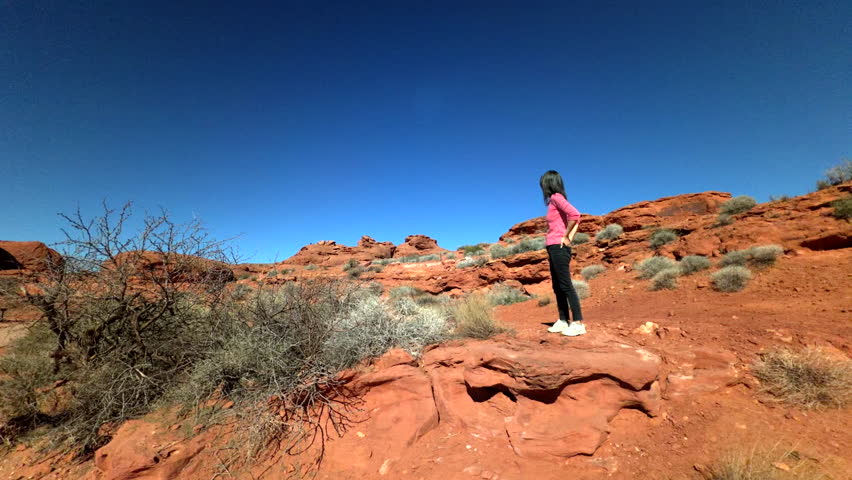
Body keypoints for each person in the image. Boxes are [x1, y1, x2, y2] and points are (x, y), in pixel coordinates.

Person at [540, 170, 586, 336]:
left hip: (559, 246)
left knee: (565, 285)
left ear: (548, 183)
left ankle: (578, 322)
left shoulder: (556, 197)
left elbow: (575, 215)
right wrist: (568, 237)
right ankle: (563, 320)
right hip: (553, 246)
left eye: (543, 184)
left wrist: (567, 237)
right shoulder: (556, 200)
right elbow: (575, 218)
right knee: (557, 286)